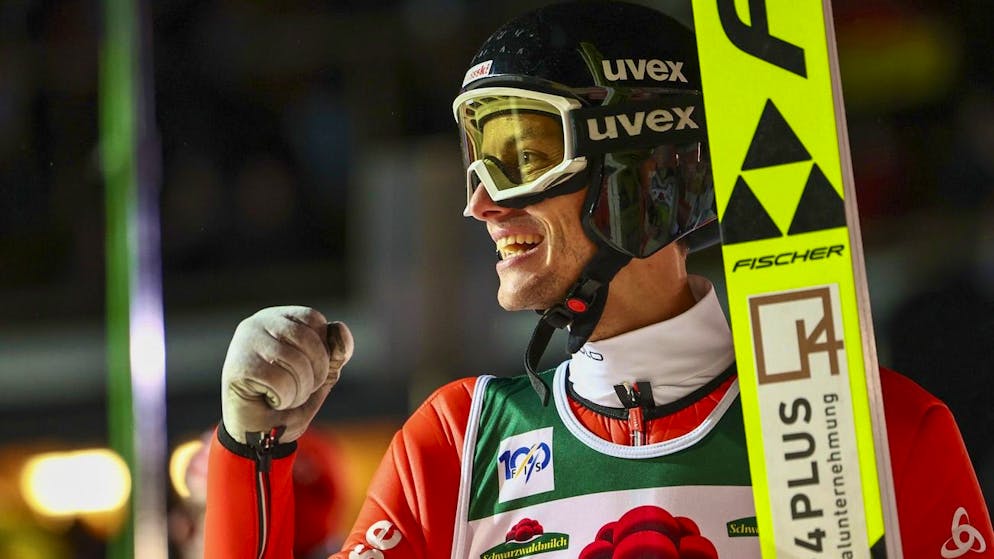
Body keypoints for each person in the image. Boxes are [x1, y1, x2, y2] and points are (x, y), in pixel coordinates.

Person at [205, 2, 994, 558]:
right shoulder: (457, 443)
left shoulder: (880, 432)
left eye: (521, 155)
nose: (479, 201)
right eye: (478, 158)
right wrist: (251, 450)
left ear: (639, 161)